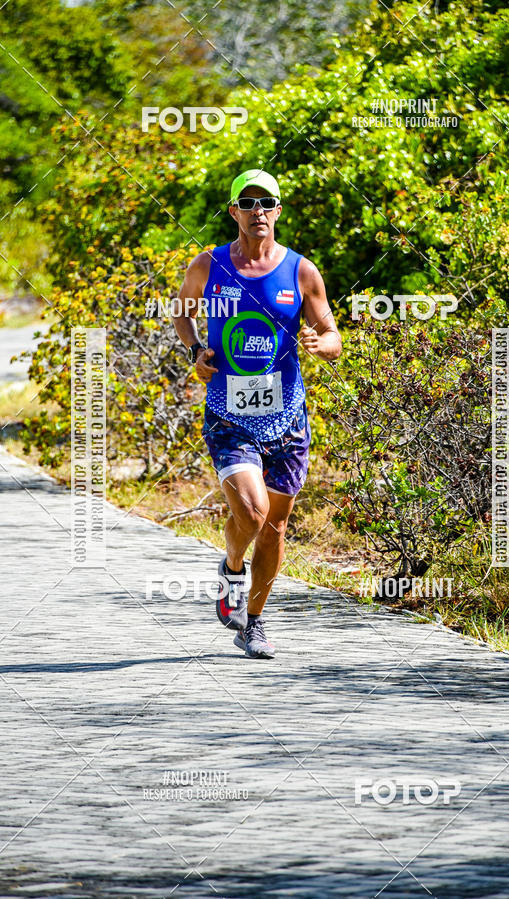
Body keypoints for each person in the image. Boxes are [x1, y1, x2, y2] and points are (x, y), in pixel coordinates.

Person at [174, 169, 342, 659]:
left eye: (267, 202)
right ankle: (231, 566)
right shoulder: (208, 266)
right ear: (233, 212)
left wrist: (320, 343)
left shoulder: (301, 271)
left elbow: (332, 337)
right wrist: (196, 353)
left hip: (287, 418)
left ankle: (255, 620)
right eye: (247, 203)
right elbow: (182, 314)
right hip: (228, 412)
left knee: (274, 528)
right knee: (251, 511)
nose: (258, 211)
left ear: (279, 211)